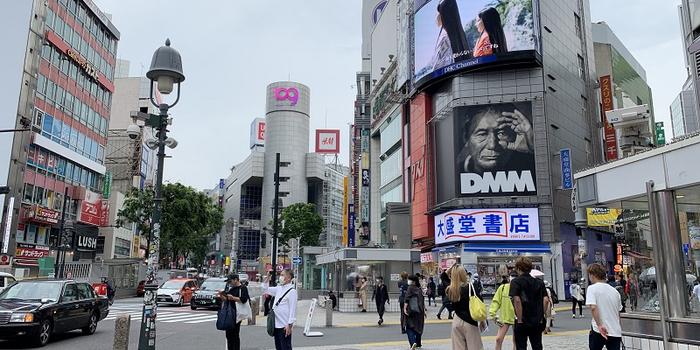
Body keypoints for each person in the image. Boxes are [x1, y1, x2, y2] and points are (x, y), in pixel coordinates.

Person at [458, 105, 535, 176]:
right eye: (482, 134)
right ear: (465, 138)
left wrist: (534, 149)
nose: (492, 145)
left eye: (501, 133)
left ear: (514, 136)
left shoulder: (531, 166)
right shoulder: (454, 175)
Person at [510, 257, 549, 350]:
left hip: (522, 319)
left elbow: (517, 300)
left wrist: (519, 319)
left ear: (518, 268)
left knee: (521, 346)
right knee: (537, 345)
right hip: (536, 320)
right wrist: (541, 315)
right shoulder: (539, 282)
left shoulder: (516, 282)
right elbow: (546, 300)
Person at [586, 263, 623, 350]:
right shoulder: (614, 291)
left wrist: (599, 325)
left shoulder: (592, 288)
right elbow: (618, 312)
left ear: (592, 275)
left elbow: (593, 307)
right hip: (615, 330)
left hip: (598, 330)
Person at [448, 266, 486, 350]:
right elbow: (480, 303)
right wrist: (482, 320)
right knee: (475, 347)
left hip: (456, 320)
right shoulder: (470, 287)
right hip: (470, 320)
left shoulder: (451, 289)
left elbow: (444, 276)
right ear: (463, 275)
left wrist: (452, 269)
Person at [264, 269, 298, 350]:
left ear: (289, 278)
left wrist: (289, 324)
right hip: (276, 324)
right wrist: (268, 276)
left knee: (285, 347)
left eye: (283, 275)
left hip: (284, 325)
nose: (280, 277)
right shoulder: (279, 288)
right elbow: (265, 289)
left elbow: (293, 309)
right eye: (280, 275)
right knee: (278, 347)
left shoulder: (292, 291)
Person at [217, 274, 250, 350]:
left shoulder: (243, 288)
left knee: (235, 335)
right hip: (229, 313)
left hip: (237, 314)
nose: (229, 283)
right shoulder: (231, 289)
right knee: (229, 334)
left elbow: (244, 299)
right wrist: (221, 295)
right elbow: (227, 300)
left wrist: (233, 298)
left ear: (236, 280)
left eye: (230, 281)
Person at [489, 274, 515, 350]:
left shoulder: (520, 288)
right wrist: (493, 314)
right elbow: (496, 301)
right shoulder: (503, 288)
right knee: (498, 339)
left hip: (517, 318)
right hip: (505, 317)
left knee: (516, 340)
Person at [404, 274, 426, 349]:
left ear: (413, 281)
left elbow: (407, 298)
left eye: (409, 280)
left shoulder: (410, 288)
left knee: (409, 327)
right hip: (419, 311)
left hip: (411, 311)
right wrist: (424, 311)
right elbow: (422, 301)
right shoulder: (419, 289)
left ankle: (413, 343)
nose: (408, 281)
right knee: (418, 327)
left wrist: (405, 308)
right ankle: (419, 344)